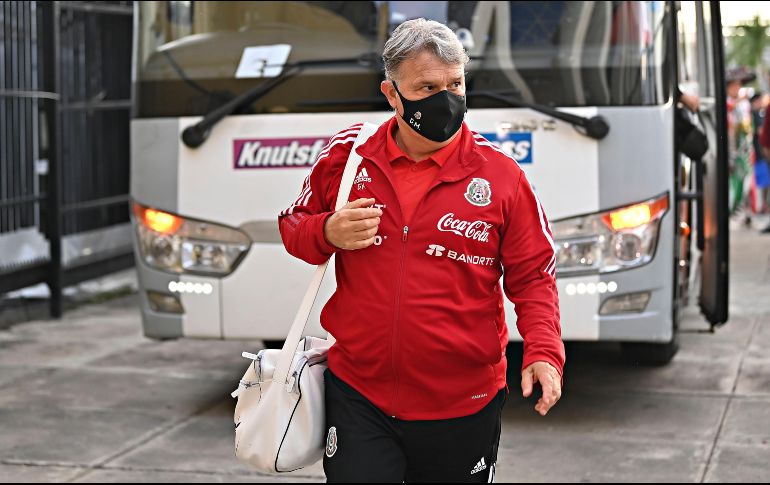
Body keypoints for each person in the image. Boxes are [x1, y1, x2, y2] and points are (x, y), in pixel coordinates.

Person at [278, 18, 564, 483]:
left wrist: (543, 352)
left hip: (462, 403)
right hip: (358, 395)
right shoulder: (348, 158)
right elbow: (292, 228)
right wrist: (328, 231)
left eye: (456, 83)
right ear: (391, 94)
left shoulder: (501, 176)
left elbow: (533, 275)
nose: (446, 99)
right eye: (427, 87)